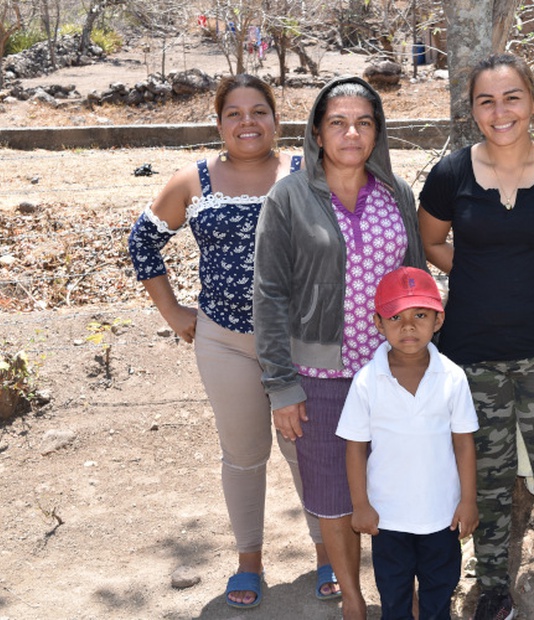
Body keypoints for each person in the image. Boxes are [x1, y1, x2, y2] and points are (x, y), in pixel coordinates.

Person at [127, 74, 340, 609]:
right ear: (219, 123)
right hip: (224, 341)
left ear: (277, 119)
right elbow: (143, 240)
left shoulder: (307, 173)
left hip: (298, 342)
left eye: (259, 111)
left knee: (306, 450)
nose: (248, 122)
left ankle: (327, 553)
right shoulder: (191, 182)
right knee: (244, 454)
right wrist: (173, 310)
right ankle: (249, 561)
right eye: (235, 113)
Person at [418, 53, 534, 620]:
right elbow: (433, 244)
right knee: (488, 486)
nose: (501, 112)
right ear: (473, 110)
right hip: (472, 360)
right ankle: (493, 589)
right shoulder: (450, 175)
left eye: (512, 97)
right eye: (486, 101)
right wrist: (478, 273)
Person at [252, 76, 426, 620]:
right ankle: (353, 602)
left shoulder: (395, 194)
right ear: (317, 133)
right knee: (333, 495)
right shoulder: (289, 197)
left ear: (377, 132)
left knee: (398, 491)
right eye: (338, 122)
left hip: (392, 371)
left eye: (364, 122)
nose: (352, 132)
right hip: (318, 376)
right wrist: (282, 387)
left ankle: (402, 597)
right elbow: (270, 293)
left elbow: (415, 280)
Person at [336, 266, 480, 620]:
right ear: (378, 323)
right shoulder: (367, 381)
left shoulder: (453, 377)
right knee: (395, 601)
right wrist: (361, 506)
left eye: (420, 315)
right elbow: (355, 447)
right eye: (396, 316)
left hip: (442, 517)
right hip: (388, 519)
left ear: (438, 319)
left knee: (437, 601)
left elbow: (464, 443)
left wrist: (468, 500)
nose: (409, 326)